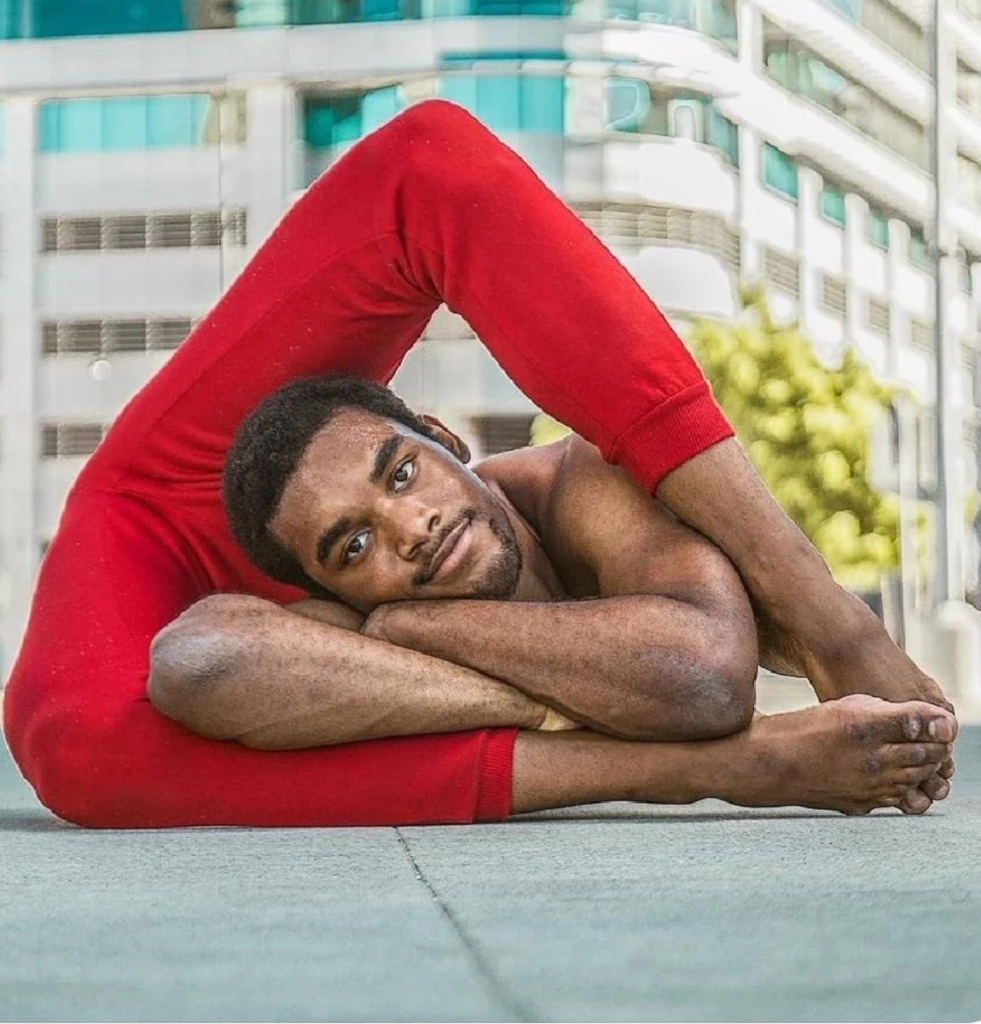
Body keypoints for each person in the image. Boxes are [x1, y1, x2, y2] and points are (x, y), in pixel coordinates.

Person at [2, 99, 956, 828]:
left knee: (430, 166)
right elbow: (189, 671)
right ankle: (718, 767)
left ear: (444, 438)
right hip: (158, 515)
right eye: (371, 532)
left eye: (406, 475)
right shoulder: (355, 546)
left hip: (304, 521)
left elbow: (699, 675)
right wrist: (702, 759)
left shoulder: (577, 487)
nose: (411, 522)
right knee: (78, 750)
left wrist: (397, 630)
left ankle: (820, 613)